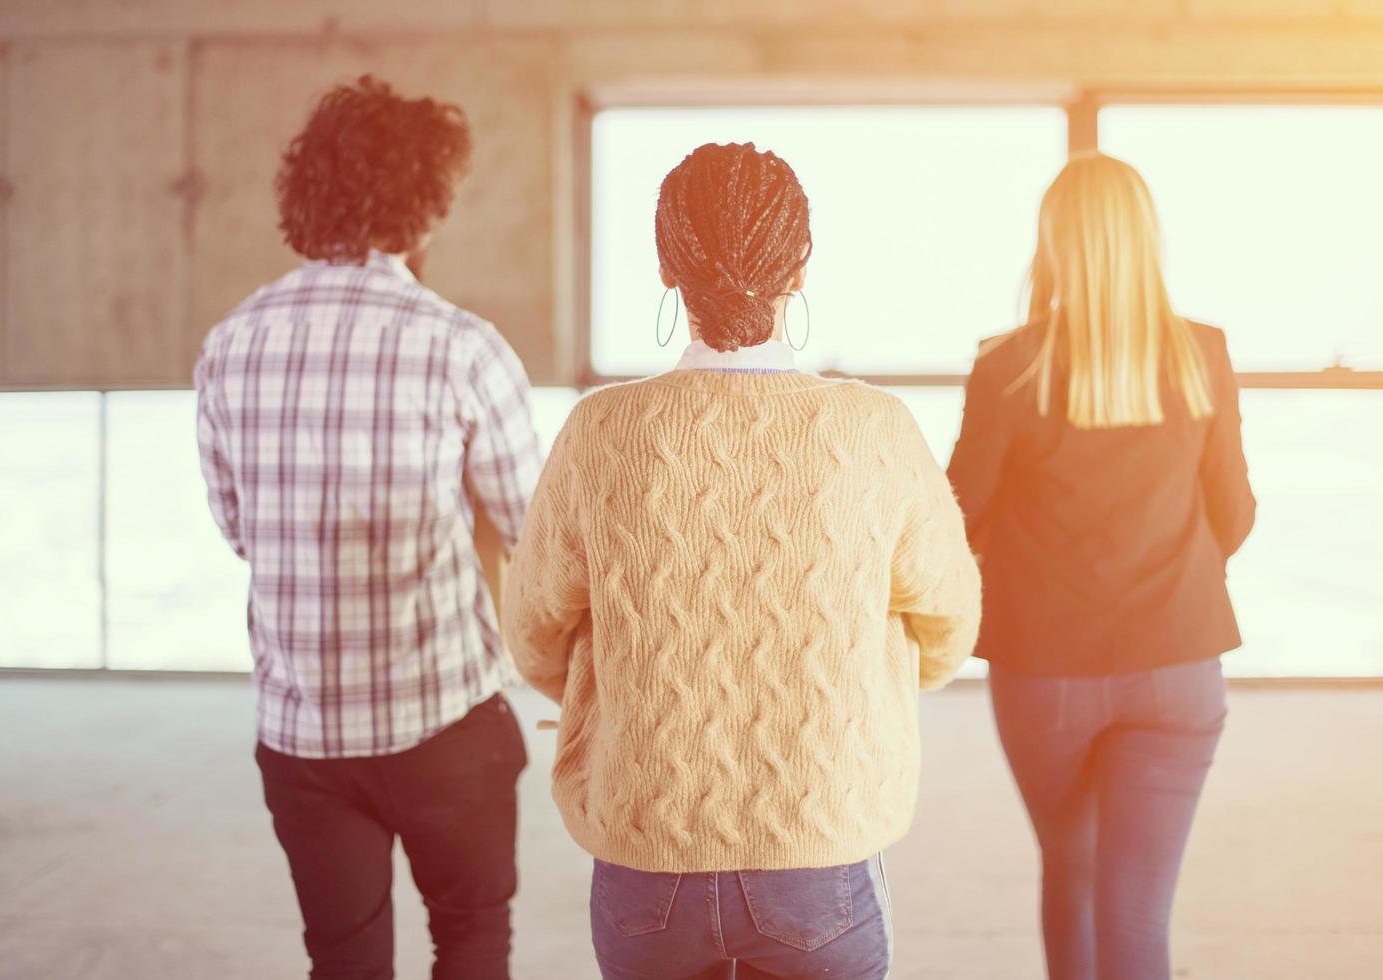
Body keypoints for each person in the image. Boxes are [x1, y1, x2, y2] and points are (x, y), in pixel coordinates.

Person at [503, 141, 982, 980]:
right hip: (818, 836)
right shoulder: (873, 430)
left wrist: (615, 694)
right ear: (799, 266)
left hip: (644, 843)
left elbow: (535, 627)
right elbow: (947, 619)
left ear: (666, 267)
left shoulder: (601, 431)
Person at [193, 75, 540, 980]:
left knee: (341, 962)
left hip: (301, 733)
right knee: (470, 939)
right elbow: (535, 535)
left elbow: (239, 527)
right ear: (423, 205)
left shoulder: (231, 342)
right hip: (441, 720)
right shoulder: (460, 345)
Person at [947, 151, 1256, 980]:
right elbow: (1235, 514)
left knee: (1071, 868)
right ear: (1146, 241)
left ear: (1050, 245)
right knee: (1136, 912)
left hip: (1044, 674)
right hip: (1180, 666)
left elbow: (956, 520)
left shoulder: (1006, 365)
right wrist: (1173, 579)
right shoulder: (1202, 352)